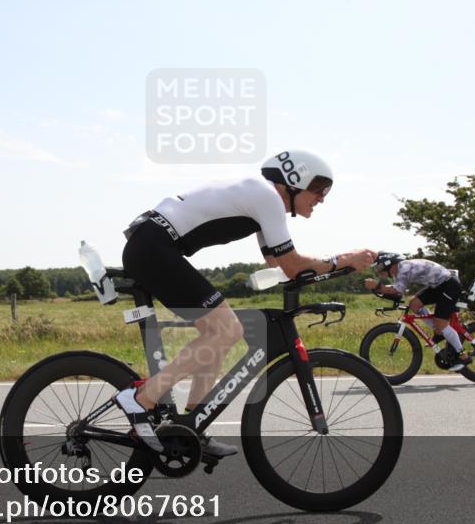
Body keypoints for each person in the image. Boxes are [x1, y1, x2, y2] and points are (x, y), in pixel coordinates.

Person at [116, 150, 377, 456]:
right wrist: (342, 259)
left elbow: (280, 265)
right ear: (294, 181)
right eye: (319, 189)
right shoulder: (266, 196)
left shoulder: (260, 200)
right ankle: (142, 399)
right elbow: (292, 265)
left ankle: (189, 425)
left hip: (152, 245)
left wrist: (336, 267)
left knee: (218, 335)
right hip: (154, 248)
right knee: (226, 331)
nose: (322, 198)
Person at [364, 252, 473, 371]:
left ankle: (464, 356)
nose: (379, 272)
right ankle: (439, 332)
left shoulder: (403, 268)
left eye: (379, 268)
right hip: (438, 285)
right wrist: (381, 289)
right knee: (414, 304)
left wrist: (377, 286)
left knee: (441, 322)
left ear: (388, 264)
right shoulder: (398, 271)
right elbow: (398, 292)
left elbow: (397, 290)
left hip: (449, 285)